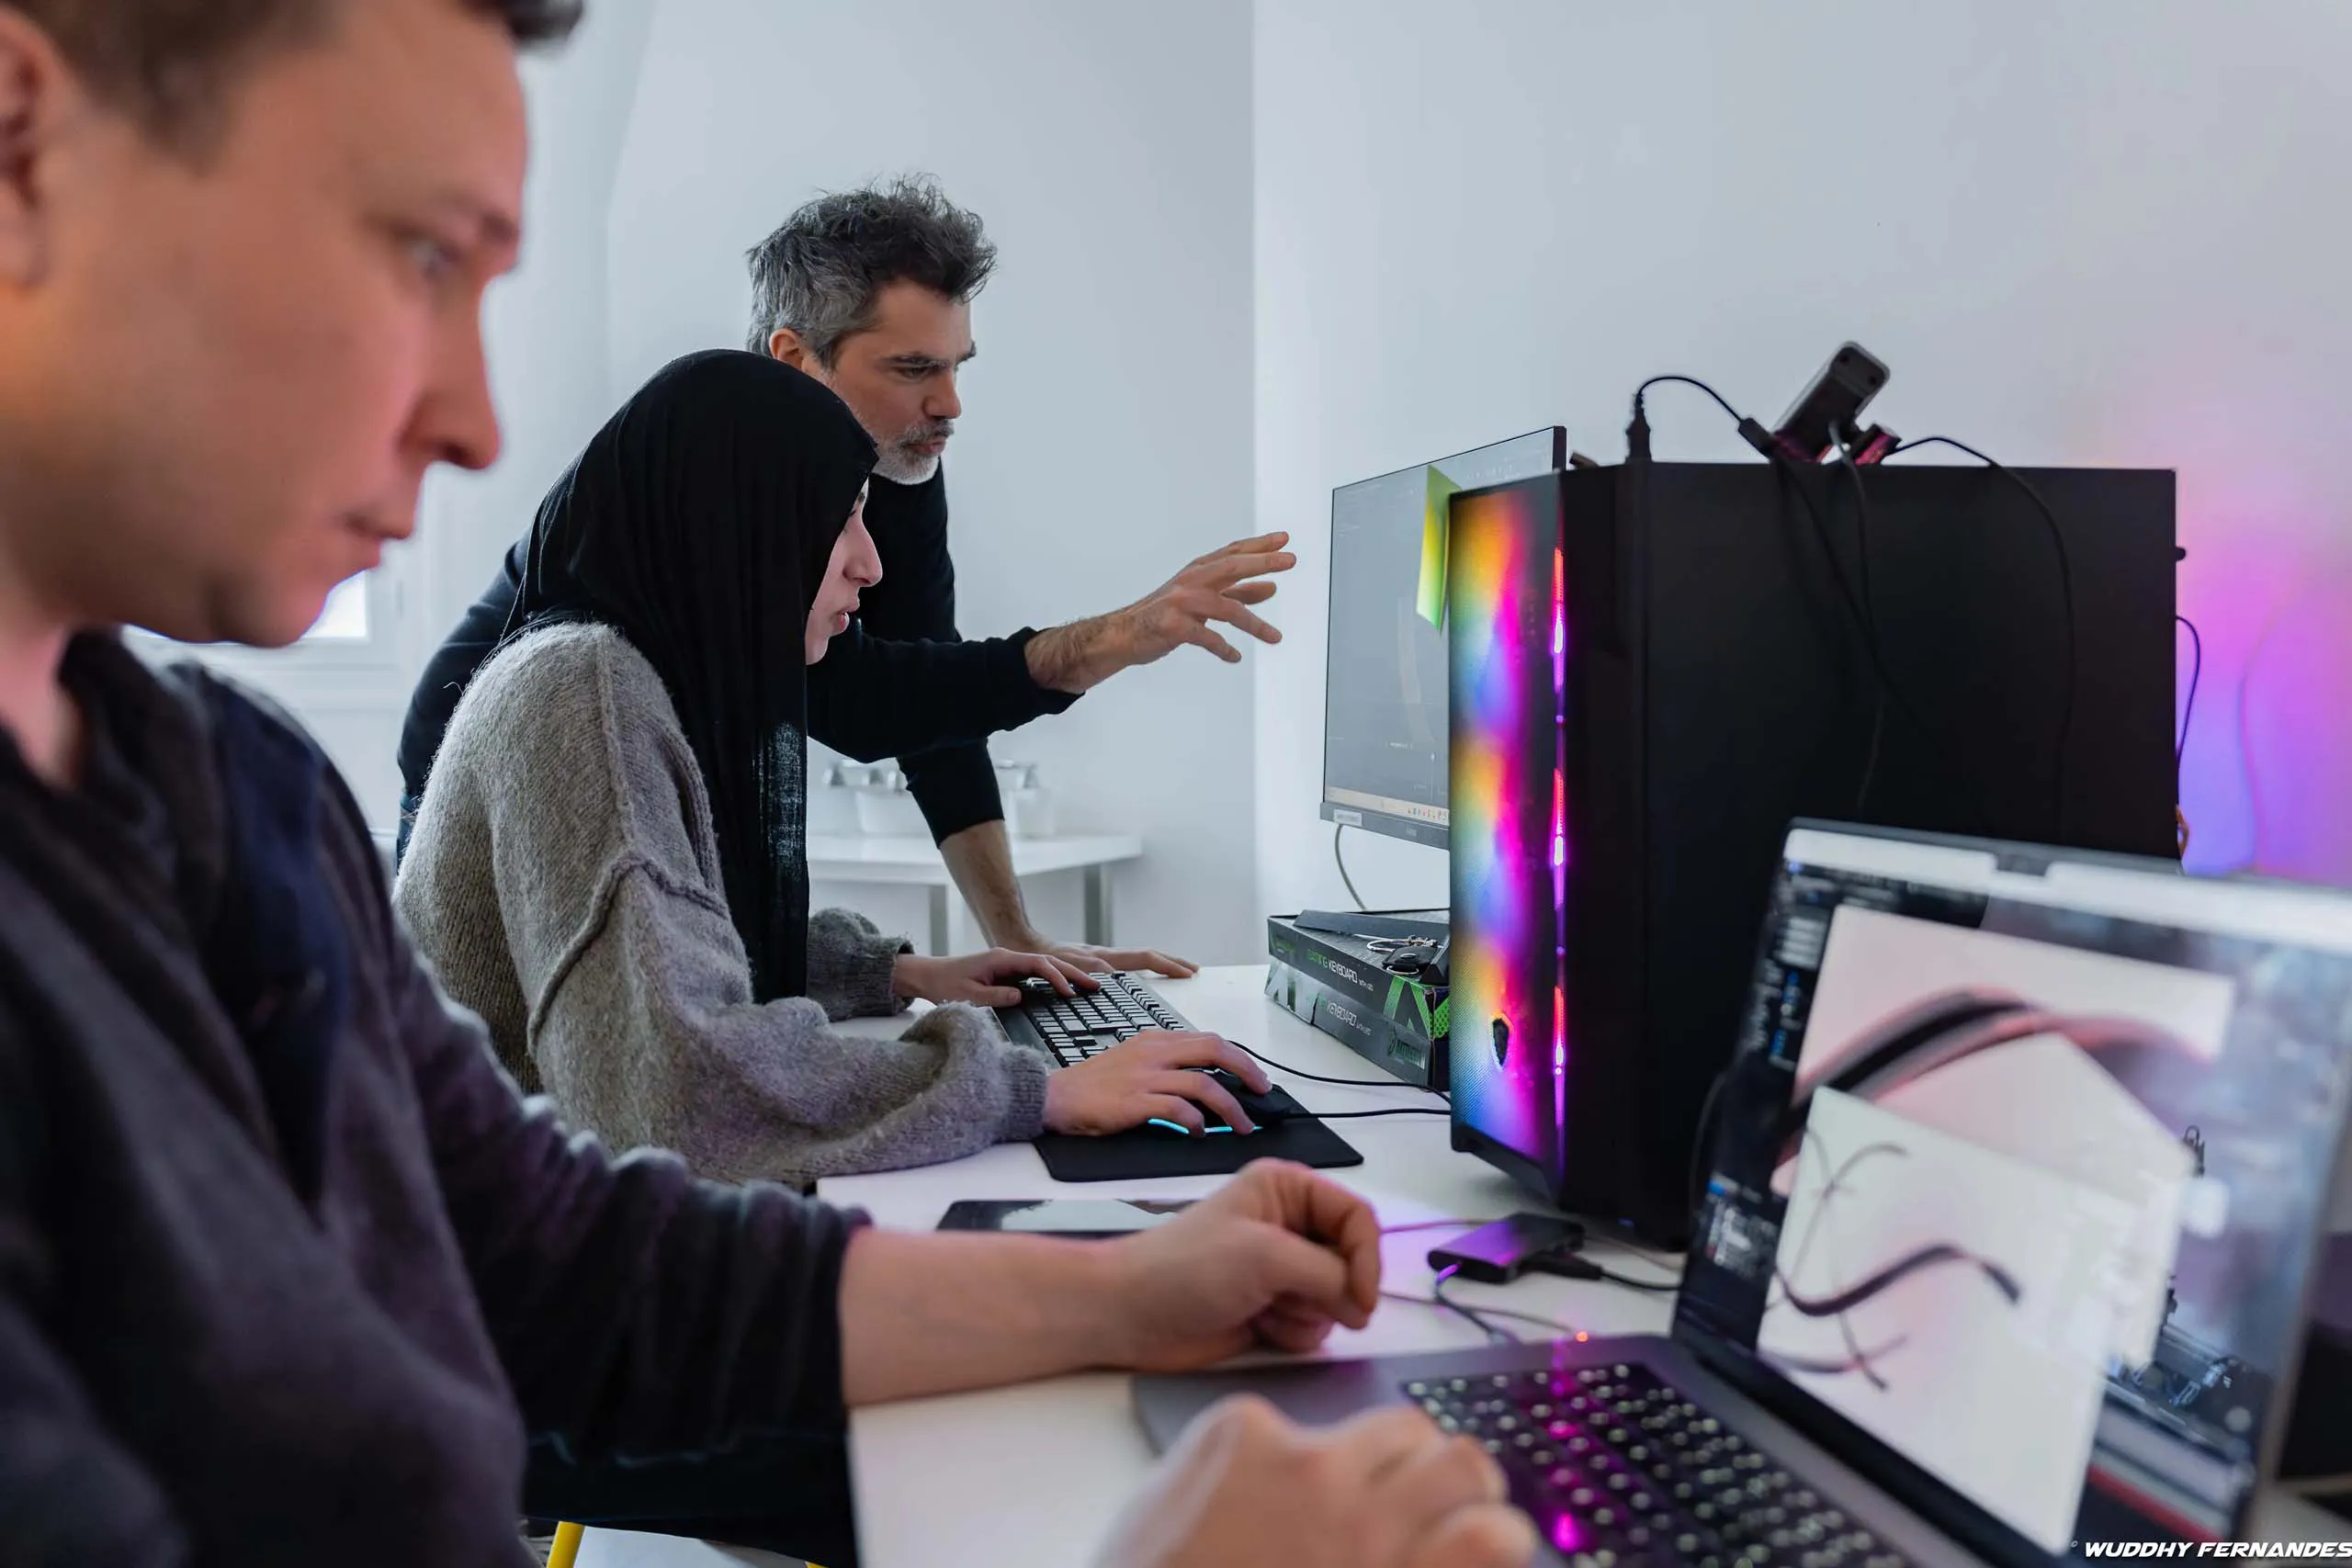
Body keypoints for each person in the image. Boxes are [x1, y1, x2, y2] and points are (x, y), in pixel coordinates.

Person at [0, 1, 1536, 1565]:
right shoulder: (577, 683)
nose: (471, 424)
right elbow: (666, 1076)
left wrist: (1124, 1283)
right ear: (18, 142)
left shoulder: (233, 788)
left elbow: (572, 1254)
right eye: (415, 254)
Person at [394, 349, 1277, 1180]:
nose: (869, 562)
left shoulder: (621, 673)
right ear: (740, 527)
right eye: (840, 519)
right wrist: (1035, 1090)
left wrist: (894, 974)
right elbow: (672, 1090)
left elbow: (657, 947)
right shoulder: (582, 697)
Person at [393, 177, 1274, 980]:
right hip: (494, 796)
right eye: (913, 369)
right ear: (793, 358)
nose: (950, 404)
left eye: (958, 366)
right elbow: (857, 702)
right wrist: (1114, 639)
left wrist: (1014, 934)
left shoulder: (900, 466)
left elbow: (932, 705)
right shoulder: (720, 478)